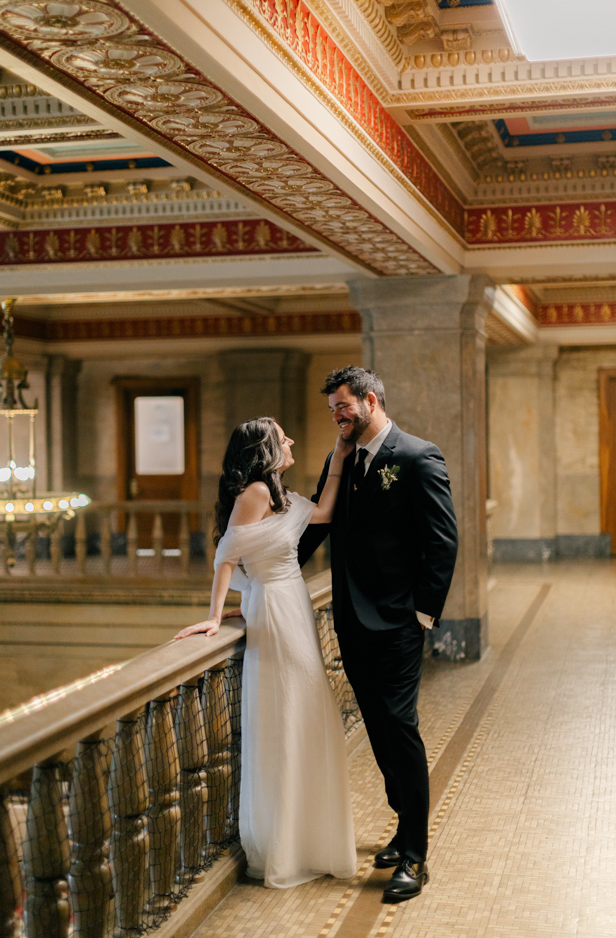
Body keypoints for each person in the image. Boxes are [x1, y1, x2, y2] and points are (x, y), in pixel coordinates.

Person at [175, 417, 357, 889]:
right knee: (286, 715)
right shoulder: (254, 491)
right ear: (265, 448)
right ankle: (285, 844)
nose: (291, 440)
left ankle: (310, 838)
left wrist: (337, 459)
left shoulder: (278, 495)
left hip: (289, 602)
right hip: (274, 610)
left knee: (308, 710)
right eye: (282, 437)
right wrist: (216, 616)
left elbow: (324, 514)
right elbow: (226, 556)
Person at [298, 366, 458, 903]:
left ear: (370, 401)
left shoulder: (417, 457)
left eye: (343, 407)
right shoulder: (340, 459)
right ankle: (400, 826)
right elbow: (317, 527)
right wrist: (263, 583)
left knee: (399, 727)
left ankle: (415, 853)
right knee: (377, 728)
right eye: (332, 410)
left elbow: (442, 542)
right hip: (349, 619)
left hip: (396, 624)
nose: (337, 416)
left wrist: (422, 616)